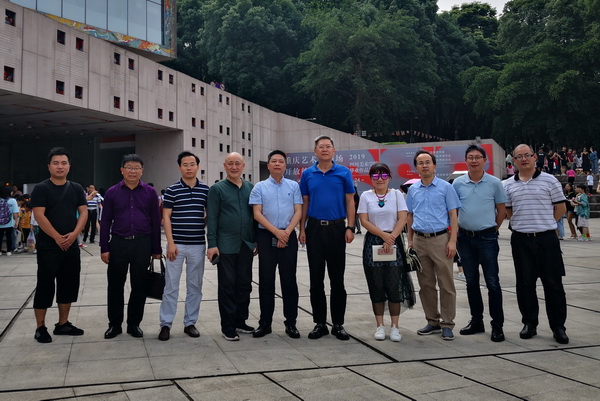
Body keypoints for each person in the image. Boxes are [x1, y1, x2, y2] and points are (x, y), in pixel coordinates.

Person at [503, 144, 569, 344]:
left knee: (553, 284)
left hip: (546, 239)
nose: (524, 159)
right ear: (514, 161)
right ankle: (529, 323)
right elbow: (509, 212)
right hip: (521, 240)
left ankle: (558, 327)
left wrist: (544, 224)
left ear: (534, 157)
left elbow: (560, 208)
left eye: (527, 155)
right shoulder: (507, 185)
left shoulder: (550, 180)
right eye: (519, 156)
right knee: (525, 283)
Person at [299, 135, 356, 341]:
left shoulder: (343, 172)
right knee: (316, 279)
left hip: (337, 229)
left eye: (328, 146)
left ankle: (338, 324)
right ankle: (320, 323)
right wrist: (302, 228)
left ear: (334, 150)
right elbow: (305, 202)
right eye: (321, 147)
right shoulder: (308, 174)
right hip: (314, 228)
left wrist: (350, 227)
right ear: (315, 151)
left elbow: (350, 201)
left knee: (337, 279)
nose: (324, 149)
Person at [100, 154, 162, 339]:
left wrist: (156, 249)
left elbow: (156, 221)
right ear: (122, 170)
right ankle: (114, 325)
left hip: (142, 243)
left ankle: (134, 324)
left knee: (139, 285)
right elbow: (105, 221)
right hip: (118, 243)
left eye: (136, 168)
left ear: (142, 170)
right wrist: (104, 247)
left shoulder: (150, 192)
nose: (132, 171)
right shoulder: (112, 192)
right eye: (129, 167)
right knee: (115, 285)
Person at [30, 147, 88, 343]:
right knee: (45, 285)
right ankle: (40, 327)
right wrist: (57, 237)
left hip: (71, 246)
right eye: (56, 163)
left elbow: (83, 212)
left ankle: (63, 324)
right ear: (49, 166)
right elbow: (39, 215)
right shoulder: (41, 188)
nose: (60, 166)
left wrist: (74, 235)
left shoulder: (76, 188)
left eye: (64, 163)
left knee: (68, 285)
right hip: (48, 246)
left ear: (69, 166)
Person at [452, 145, 506, 342]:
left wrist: (491, 229)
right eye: (470, 157)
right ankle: (477, 321)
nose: (474, 161)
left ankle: (497, 325)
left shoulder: (495, 183)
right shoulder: (457, 183)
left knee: (492, 282)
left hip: (487, 238)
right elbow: (454, 211)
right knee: (471, 281)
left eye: (477, 157)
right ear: (465, 160)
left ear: (485, 160)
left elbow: (501, 211)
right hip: (465, 238)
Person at [406, 150, 460, 341]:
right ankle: (432, 320)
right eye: (420, 163)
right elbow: (410, 215)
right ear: (416, 167)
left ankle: (447, 323)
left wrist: (452, 241)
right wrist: (410, 241)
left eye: (428, 162)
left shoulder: (446, 188)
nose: (424, 166)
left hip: (441, 239)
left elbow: (453, 215)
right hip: (419, 240)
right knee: (426, 284)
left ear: (434, 165)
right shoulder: (413, 189)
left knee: (446, 283)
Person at [357, 163, 414, 342]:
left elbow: (403, 218)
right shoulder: (366, 196)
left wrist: (391, 237)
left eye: (383, 175)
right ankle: (380, 325)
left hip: (394, 240)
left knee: (394, 284)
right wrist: (383, 236)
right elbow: (364, 221)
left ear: (389, 177)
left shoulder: (397, 195)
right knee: (376, 285)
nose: (379, 179)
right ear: (371, 178)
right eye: (375, 176)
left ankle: (395, 327)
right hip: (373, 241)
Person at [249, 150, 302, 339]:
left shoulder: (293, 186)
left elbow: (298, 211)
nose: (277, 164)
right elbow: (257, 214)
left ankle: (291, 323)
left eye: (281, 161)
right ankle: (265, 323)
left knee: (289, 281)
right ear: (269, 165)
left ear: (285, 165)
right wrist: (276, 232)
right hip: (266, 237)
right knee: (266, 281)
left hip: (288, 236)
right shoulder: (259, 187)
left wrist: (286, 233)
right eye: (274, 161)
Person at [158, 151, 209, 341]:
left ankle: (190, 323)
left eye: (192, 164)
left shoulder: (206, 190)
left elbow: (209, 214)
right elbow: (166, 217)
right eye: (185, 165)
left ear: (198, 166)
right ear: (179, 167)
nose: (189, 168)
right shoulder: (172, 190)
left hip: (197, 245)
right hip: (176, 246)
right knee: (171, 286)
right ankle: (165, 324)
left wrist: (200, 223)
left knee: (195, 286)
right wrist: (170, 243)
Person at [207, 152, 256, 341]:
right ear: (225, 166)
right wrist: (212, 244)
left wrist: (255, 241)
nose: (234, 167)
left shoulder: (250, 188)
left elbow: (255, 216)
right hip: (225, 245)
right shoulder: (217, 189)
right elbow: (212, 218)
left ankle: (240, 321)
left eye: (237, 163)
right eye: (230, 163)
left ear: (243, 166)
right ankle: (227, 326)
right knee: (227, 286)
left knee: (244, 284)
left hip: (246, 244)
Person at [0, 186, 19, 255]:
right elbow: (15, 212)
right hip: (9, 222)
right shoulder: (13, 200)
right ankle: (8, 251)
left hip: (0, 223)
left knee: (0, 237)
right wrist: (16, 221)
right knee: (9, 237)